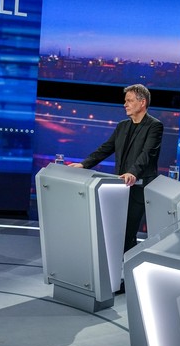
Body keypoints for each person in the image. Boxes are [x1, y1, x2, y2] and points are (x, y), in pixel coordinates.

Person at [69, 84, 163, 253]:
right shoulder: (122, 126)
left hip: (139, 189)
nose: (125, 104)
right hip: (119, 187)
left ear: (142, 103)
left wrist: (132, 173)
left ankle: (127, 276)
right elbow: (106, 148)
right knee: (116, 234)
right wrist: (84, 164)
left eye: (129, 101)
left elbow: (147, 154)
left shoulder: (155, 126)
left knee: (128, 234)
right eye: (125, 101)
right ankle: (116, 274)